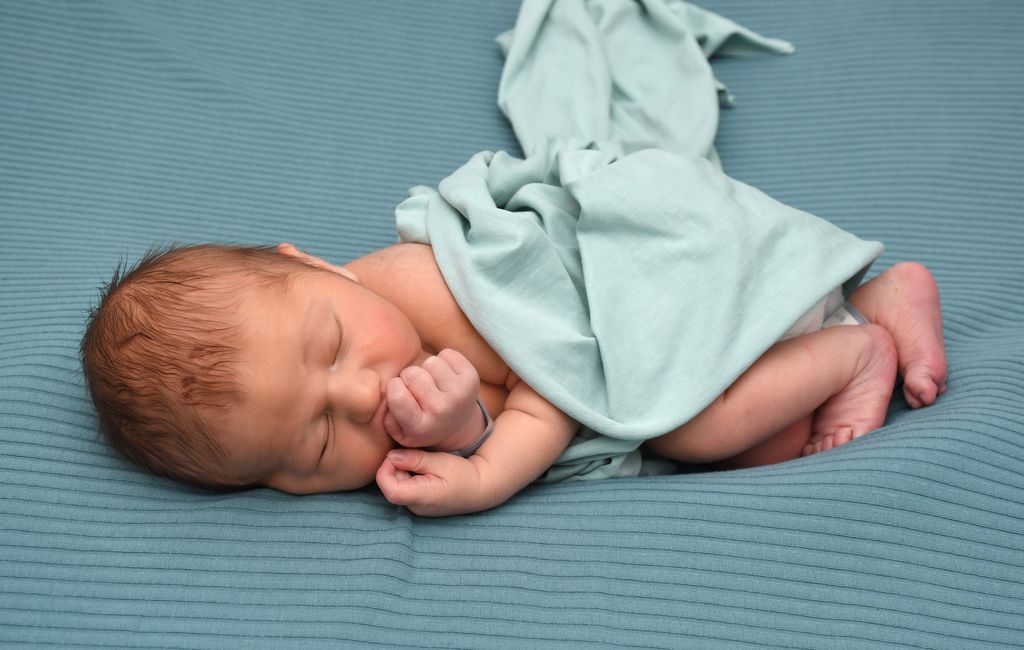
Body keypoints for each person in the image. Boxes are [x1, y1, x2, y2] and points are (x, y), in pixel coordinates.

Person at [80, 241, 947, 516]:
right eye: (314, 444)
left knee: (700, 429)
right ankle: (874, 302)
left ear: (314, 265)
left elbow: (559, 381)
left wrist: (482, 462)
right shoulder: (385, 421)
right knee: (769, 447)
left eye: (335, 345)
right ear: (280, 486)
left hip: (648, 291)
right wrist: (464, 432)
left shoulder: (420, 284)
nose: (360, 397)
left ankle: (859, 349)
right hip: (641, 352)